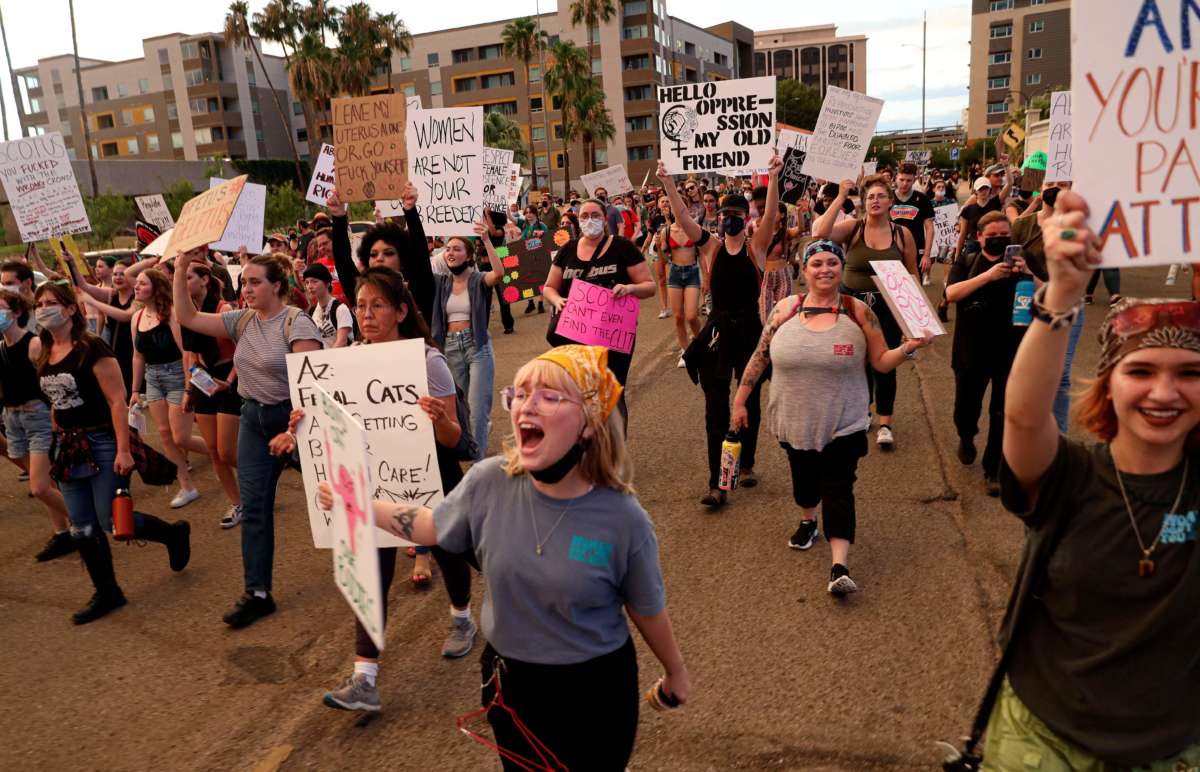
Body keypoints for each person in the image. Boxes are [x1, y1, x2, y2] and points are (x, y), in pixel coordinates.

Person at [319, 345, 688, 767]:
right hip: (512, 685)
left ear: (589, 423)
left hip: (594, 692)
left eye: (550, 396)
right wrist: (360, 505)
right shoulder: (489, 481)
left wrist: (675, 672)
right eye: (521, 393)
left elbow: (646, 607)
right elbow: (433, 526)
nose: (527, 406)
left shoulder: (623, 518)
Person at [985, 189, 1200, 769]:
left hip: (1175, 749)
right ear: (1107, 385)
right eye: (1141, 370)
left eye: (1190, 373)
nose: (1163, 391)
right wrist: (1063, 293)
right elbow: (1024, 417)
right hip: (1045, 741)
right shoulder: (1071, 479)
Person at [296, 266, 478, 711]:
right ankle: (365, 678)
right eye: (360, 305)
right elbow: (330, 427)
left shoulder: (428, 361)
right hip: (374, 483)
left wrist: (440, 420)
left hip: (432, 477)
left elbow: (459, 440)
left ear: (400, 311)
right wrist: (300, 429)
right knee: (370, 571)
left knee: (450, 550)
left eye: (377, 305)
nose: (366, 314)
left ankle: (461, 617)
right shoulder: (347, 362)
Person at [732, 241, 931, 595]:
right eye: (817, 263)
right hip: (794, 419)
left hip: (846, 420)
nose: (825, 269)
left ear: (841, 268)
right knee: (805, 480)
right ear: (804, 270)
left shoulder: (858, 313)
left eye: (833, 262)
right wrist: (741, 400)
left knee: (839, 487)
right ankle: (809, 521)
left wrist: (908, 348)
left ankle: (839, 565)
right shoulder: (784, 310)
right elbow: (760, 356)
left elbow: (881, 361)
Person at [172, 248, 323, 629]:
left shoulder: (297, 324)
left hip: (297, 421)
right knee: (254, 509)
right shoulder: (241, 321)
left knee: (337, 493)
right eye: (244, 282)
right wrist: (178, 269)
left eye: (255, 282)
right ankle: (257, 593)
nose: (247, 289)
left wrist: (291, 432)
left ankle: (381, 550)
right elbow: (187, 316)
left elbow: (314, 388)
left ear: (278, 286)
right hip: (253, 419)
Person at [34, 281, 191, 624]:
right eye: (39, 303)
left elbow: (116, 403)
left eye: (50, 303)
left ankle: (172, 533)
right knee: (82, 525)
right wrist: (54, 441)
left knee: (110, 520)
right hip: (68, 447)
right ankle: (107, 592)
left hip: (102, 443)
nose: (43, 309)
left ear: (71, 309)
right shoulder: (46, 349)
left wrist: (124, 449)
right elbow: (55, 401)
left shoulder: (93, 349)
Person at [675, 155, 785, 505]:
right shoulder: (710, 247)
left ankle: (747, 462)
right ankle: (717, 483)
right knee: (715, 408)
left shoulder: (756, 248)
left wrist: (772, 176)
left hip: (750, 329)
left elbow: (770, 216)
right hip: (718, 331)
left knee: (748, 399)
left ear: (745, 218)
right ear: (717, 219)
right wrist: (666, 183)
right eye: (724, 217)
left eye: (735, 216)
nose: (728, 221)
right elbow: (681, 218)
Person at [813, 176, 918, 451]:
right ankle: (863, 412)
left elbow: (912, 275)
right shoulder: (853, 228)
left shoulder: (902, 234)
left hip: (888, 307)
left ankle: (885, 422)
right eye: (870, 196)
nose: (875, 201)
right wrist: (840, 195)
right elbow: (819, 232)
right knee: (855, 362)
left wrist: (914, 321)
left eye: (881, 196)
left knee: (885, 363)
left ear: (890, 201)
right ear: (863, 201)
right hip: (853, 306)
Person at [103, 269, 206, 508]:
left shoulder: (170, 313)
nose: (136, 287)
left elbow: (186, 352)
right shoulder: (137, 318)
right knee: (166, 436)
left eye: (142, 284)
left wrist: (190, 387)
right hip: (153, 379)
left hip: (178, 376)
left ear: (156, 287)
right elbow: (137, 356)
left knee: (181, 436)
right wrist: (136, 390)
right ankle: (187, 487)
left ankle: (225, 453)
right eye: (136, 284)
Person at [945, 211, 1027, 495]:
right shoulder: (966, 262)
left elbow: (1049, 295)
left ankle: (994, 470)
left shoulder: (1021, 265)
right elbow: (951, 293)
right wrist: (988, 276)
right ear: (979, 237)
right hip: (970, 352)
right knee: (965, 410)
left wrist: (1028, 273)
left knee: (1002, 413)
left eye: (1004, 235)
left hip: (1010, 351)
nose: (999, 240)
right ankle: (966, 437)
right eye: (992, 236)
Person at [542, 198, 656, 390]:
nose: (590, 220)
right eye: (584, 216)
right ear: (578, 220)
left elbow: (650, 287)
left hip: (613, 334)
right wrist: (557, 300)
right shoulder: (568, 249)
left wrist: (630, 289)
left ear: (605, 220)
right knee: (580, 393)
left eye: (595, 216)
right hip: (574, 335)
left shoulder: (622, 247)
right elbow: (549, 287)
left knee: (611, 393)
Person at [0, 290, 74, 561]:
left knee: (39, 486)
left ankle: (87, 523)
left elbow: (50, 381)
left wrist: (56, 415)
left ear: (17, 313)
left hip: (38, 415)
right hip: (13, 418)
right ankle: (63, 533)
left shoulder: (33, 345)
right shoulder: (0, 347)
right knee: (45, 482)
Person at [179, 261, 243, 529]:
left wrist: (228, 382)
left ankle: (259, 479)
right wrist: (190, 388)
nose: (183, 283)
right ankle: (238, 503)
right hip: (204, 380)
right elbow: (191, 354)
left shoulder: (224, 309)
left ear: (205, 279)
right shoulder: (186, 313)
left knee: (228, 451)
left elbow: (244, 349)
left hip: (230, 378)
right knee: (215, 452)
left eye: (188, 277)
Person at [435, 223, 505, 461]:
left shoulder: (478, 280)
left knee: (478, 410)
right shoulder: (441, 283)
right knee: (461, 410)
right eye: (447, 249)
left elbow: (499, 274)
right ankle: (479, 437)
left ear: (468, 255)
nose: (450, 252)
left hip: (477, 347)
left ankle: (478, 465)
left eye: (456, 248)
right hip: (450, 348)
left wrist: (486, 239)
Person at [327, 183, 436, 325]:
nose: (379, 258)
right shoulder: (361, 291)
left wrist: (410, 210)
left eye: (388, 253)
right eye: (373, 254)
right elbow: (343, 262)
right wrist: (338, 216)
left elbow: (420, 255)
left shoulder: (417, 289)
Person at [656, 176, 708, 365]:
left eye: (681, 207)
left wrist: (707, 279)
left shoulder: (694, 229)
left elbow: (702, 255)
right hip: (675, 274)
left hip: (693, 272)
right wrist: (659, 247)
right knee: (678, 317)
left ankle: (701, 343)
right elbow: (663, 259)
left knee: (692, 315)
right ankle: (686, 351)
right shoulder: (666, 231)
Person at [68, 258, 136, 397]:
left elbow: (125, 316)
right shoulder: (111, 294)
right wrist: (73, 263)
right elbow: (84, 286)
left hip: (135, 351)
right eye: (115, 274)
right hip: (118, 349)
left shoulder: (138, 296)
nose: (117, 277)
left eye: (122, 274)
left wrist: (93, 302)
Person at [890, 162, 936, 280]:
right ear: (896, 178)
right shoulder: (888, 197)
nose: (905, 183)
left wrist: (926, 255)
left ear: (914, 179)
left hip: (916, 249)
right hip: (892, 248)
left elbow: (930, 228)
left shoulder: (922, 199)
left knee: (915, 284)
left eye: (909, 180)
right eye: (902, 179)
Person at [302, 263, 354, 348]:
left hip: (341, 358)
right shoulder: (312, 311)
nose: (310, 286)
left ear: (327, 283)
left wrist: (328, 359)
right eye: (307, 283)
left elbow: (342, 342)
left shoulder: (340, 309)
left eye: (314, 281)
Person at [519, 206, 549, 316]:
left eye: (531, 212)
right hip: (527, 257)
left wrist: (542, 235)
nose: (528, 215)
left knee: (541, 279)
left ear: (535, 213)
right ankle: (530, 302)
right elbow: (522, 241)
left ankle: (540, 302)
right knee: (528, 280)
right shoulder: (524, 226)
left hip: (540, 256)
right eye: (526, 213)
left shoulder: (542, 225)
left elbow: (547, 240)